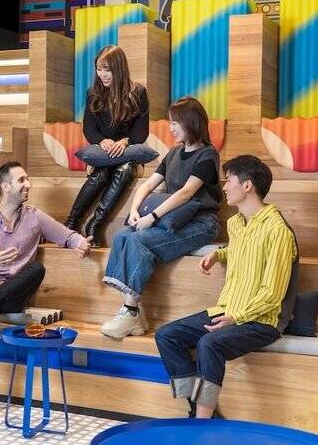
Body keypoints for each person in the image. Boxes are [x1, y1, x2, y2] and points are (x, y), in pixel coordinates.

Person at [0, 161, 92, 425]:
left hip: (11, 293)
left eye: (28, 179)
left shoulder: (35, 217)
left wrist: (80, 242)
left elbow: (65, 235)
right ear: (5, 187)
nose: (29, 185)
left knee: (36, 269)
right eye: (22, 180)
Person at [154, 155, 297, 419]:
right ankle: (196, 408)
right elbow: (244, 249)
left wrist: (236, 318)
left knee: (209, 343)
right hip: (227, 309)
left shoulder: (278, 230)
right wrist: (219, 254)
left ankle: (202, 423)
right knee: (167, 335)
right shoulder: (236, 223)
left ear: (247, 185)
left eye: (229, 180)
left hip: (260, 321)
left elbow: (272, 294)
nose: (225, 187)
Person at [100, 96, 221, 338]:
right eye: (170, 122)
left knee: (138, 240)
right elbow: (147, 185)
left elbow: (187, 193)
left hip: (201, 223)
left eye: (175, 122)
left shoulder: (208, 155)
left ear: (191, 122)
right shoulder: (173, 153)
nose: (171, 128)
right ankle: (134, 312)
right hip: (171, 218)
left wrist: (153, 217)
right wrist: (135, 211)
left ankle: (130, 312)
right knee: (122, 235)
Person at [64, 45, 150, 246]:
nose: (102, 74)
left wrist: (125, 141)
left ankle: (94, 224)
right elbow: (89, 128)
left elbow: (141, 132)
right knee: (102, 172)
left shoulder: (138, 92)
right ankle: (71, 222)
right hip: (103, 154)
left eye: (107, 70)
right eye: (99, 69)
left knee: (124, 169)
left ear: (119, 69)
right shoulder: (93, 93)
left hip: (128, 154)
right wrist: (102, 140)